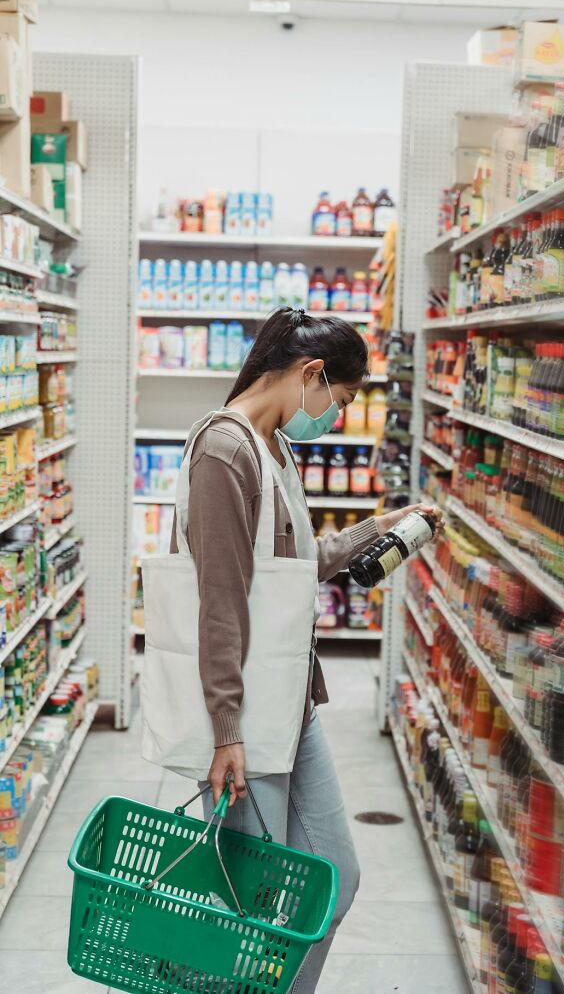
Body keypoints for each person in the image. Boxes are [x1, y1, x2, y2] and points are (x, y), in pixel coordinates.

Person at [177, 306, 441, 993]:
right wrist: (226, 730)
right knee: (251, 907)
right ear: (311, 374)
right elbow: (221, 603)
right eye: (344, 399)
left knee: (334, 877)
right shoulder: (225, 451)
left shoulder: (274, 447)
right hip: (247, 718)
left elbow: (301, 561)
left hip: (292, 704)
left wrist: (386, 525)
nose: (340, 417)